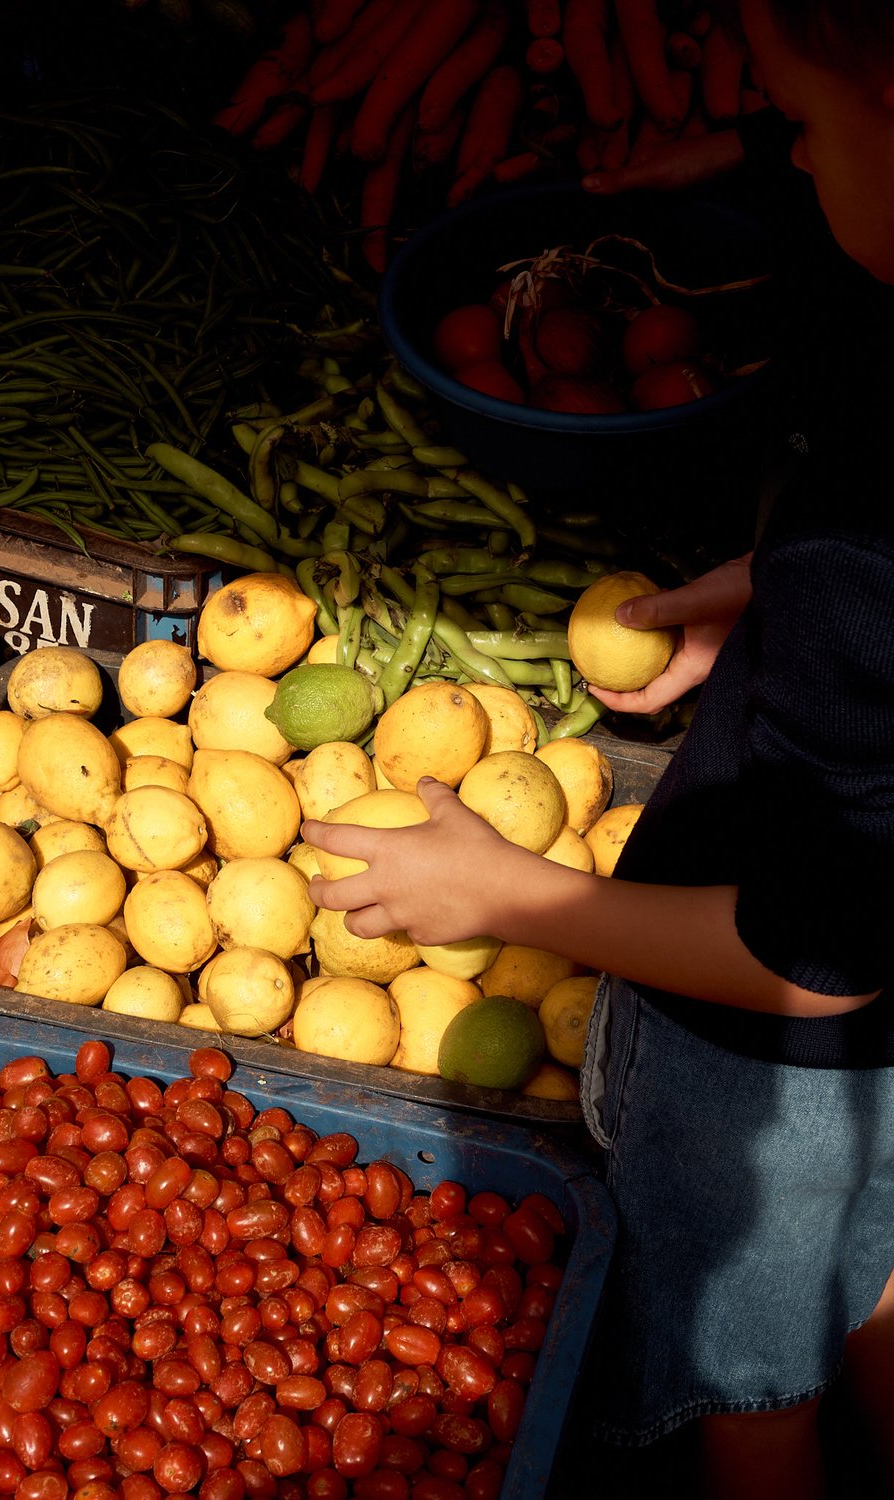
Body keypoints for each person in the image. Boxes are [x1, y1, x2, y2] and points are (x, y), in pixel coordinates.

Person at [303, 2, 894, 1495]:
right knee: (878, 1266)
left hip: (776, 1077)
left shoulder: (861, 547)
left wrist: (505, 897)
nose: (794, 167)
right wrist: (773, 604)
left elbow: (814, 960)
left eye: (804, 129)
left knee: (748, 1378)